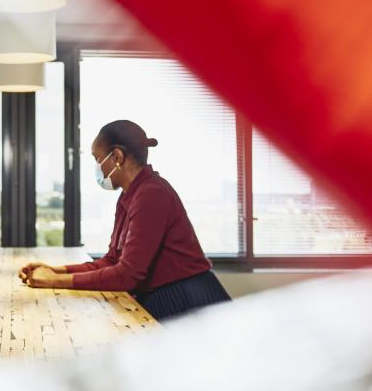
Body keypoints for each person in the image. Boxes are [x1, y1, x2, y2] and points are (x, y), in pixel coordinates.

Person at [19, 120, 230, 321]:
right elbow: (112, 260)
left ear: (117, 157)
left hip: (186, 300)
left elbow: (128, 275)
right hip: (167, 295)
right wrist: (57, 270)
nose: (98, 167)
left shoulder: (152, 194)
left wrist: (56, 281)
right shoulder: (130, 195)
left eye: (97, 159)